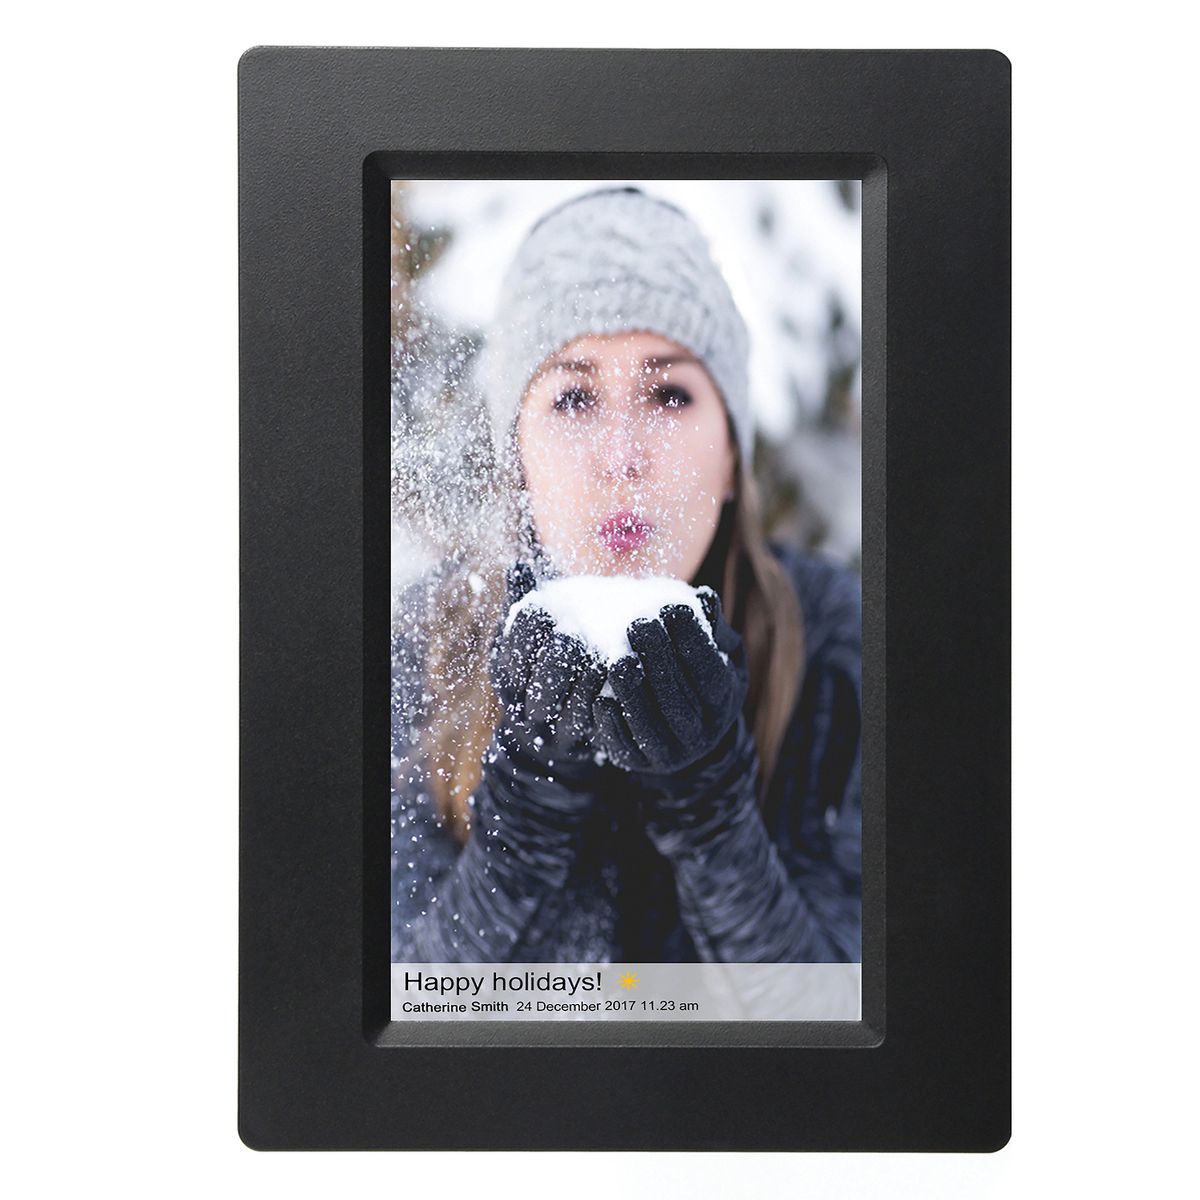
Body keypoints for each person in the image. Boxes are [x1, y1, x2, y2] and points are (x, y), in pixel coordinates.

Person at [391, 186, 861, 966]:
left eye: (669, 394)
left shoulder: (836, 647)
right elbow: (390, 1006)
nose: (621, 457)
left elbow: (853, 1012)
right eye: (574, 397)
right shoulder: (424, 645)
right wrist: (530, 803)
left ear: (732, 456)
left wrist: (710, 810)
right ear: (518, 457)